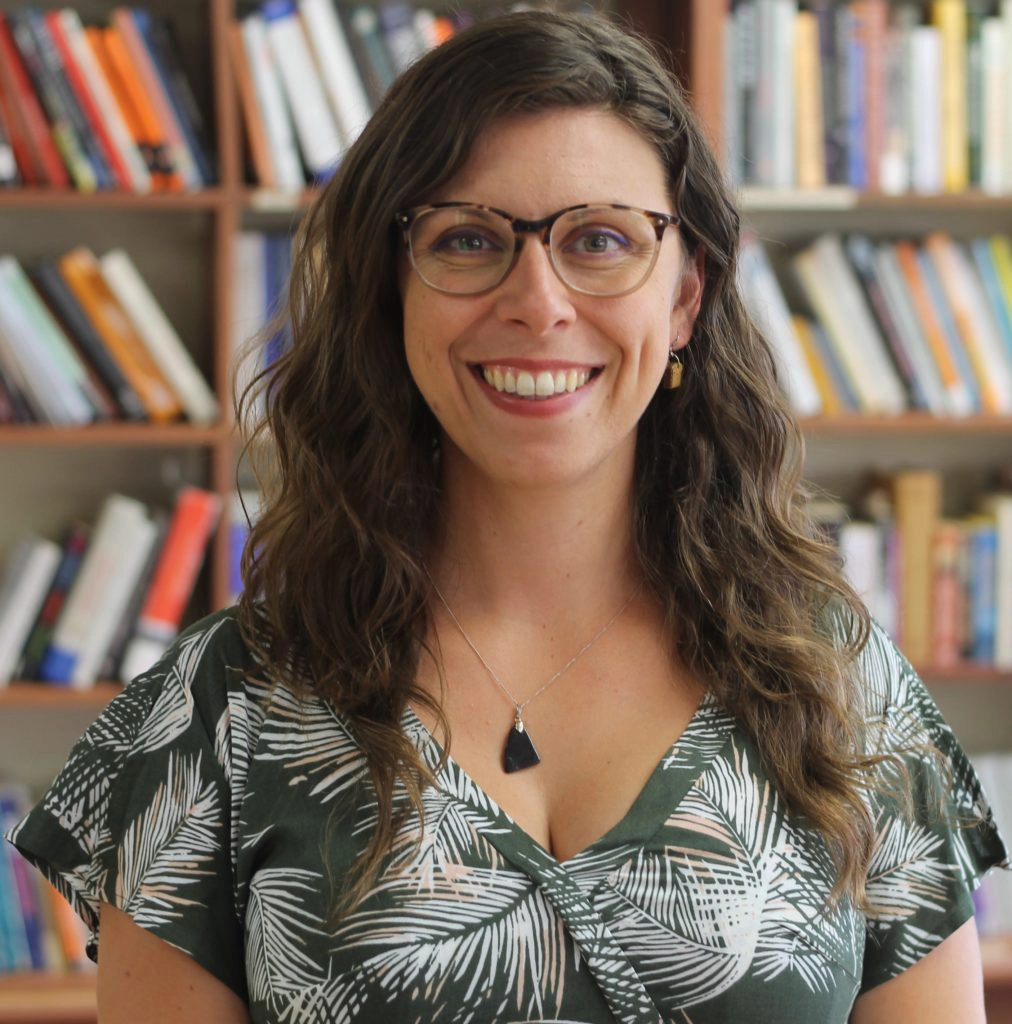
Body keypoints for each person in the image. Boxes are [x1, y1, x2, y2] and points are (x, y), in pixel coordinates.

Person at [5, 10, 1008, 1024]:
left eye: (602, 239)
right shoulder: (222, 708)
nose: (538, 300)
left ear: (685, 299)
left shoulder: (844, 689)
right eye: (469, 239)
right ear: (392, 291)